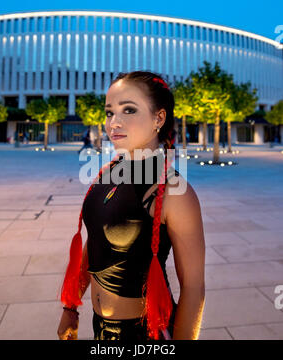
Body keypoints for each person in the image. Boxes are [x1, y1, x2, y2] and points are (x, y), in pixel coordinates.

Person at [57, 71, 206, 340]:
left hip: (147, 334)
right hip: (98, 328)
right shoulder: (107, 173)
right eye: (110, 112)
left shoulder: (173, 192)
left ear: (158, 118)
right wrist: (71, 307)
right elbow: (95, 242)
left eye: (128, 110)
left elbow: (194, 289)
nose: (114, 122)